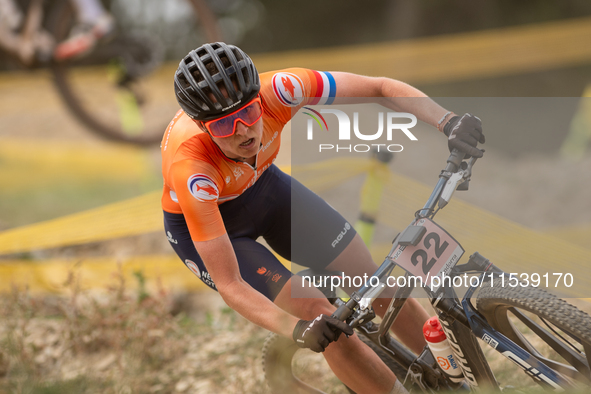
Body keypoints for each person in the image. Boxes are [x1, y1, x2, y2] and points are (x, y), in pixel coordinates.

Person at [162, 42, 484, 394]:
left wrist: (447, 121)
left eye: (249, 113)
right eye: (224, 124)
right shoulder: (193, 169)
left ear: (260, 98)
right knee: (320, 318)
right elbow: (231, 285)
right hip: (212, 223)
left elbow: (378, 88)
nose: (243, 130)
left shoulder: (283, 90)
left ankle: (458, 383)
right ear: (201, 125)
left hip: (262, 186)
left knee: (374, 281)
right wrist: (296, 329)